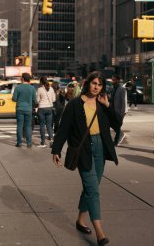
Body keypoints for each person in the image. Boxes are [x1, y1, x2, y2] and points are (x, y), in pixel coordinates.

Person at [52, 71, 121, 246]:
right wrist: (56, 149)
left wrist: (107, 106)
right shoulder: (74, 105)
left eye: (100, 85)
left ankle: (80, 220)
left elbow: (117, 123)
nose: (96, 87)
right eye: (94, 83)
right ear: (87, 84)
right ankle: (100, 233)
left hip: (100, 148)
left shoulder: (101, 104)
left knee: (91, 187)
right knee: (93, 190)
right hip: (83, 150)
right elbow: (64, 128)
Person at [12, 72, 37, 148]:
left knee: (19, 126)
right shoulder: (32, 88)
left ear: (22, 78)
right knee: (28, 126)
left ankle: (19, 143)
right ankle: (29, 143)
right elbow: (35, 100)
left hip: (19, 108)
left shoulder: (18, 88)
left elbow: (14, 99)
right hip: (28, 109)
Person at [37, 76, 56, 147]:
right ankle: (51, 140)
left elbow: (37, 100)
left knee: (42, 125)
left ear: (41, 82)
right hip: (49, 108)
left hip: (42, 108)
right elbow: (54, 99)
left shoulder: (39, 89)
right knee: (49, 125)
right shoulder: (51, 89)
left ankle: (43, 142)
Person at [110, 74, 127, 146]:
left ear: (117, 80)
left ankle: (116, 141)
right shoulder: (113, 88)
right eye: (112, 79)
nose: (112, 81)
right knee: (113, 125)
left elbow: (124, 103)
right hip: (113, 111)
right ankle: (120, 134)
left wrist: (122, 114)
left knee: (117, 126)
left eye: (113, 80)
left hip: (119, 112)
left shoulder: (122, 89)